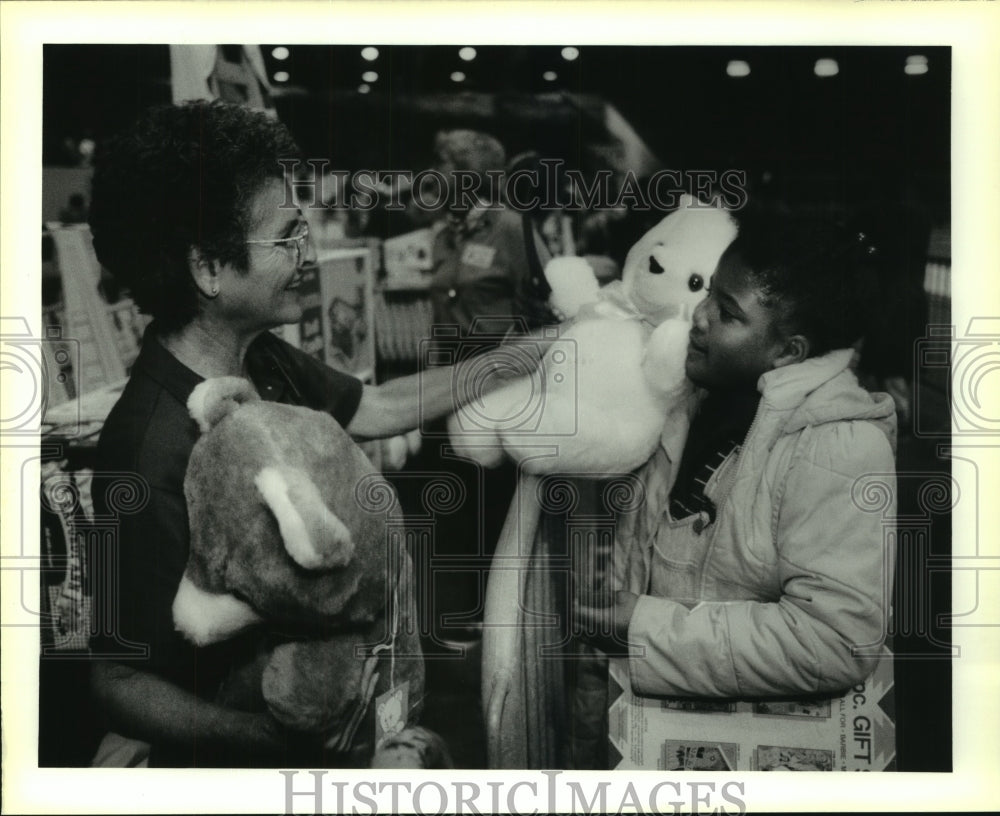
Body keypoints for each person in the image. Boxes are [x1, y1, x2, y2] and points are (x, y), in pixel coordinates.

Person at [85, 100, 542, 767]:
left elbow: (377, 405)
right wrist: (262, 738)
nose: (311, 254)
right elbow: (118, 680)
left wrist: (525, 358)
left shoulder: (261, 358)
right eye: (288, 237)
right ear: (208, 267)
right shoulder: (147, 447)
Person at [575, 206, 897, 701]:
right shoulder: (697, 394)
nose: (698, 316)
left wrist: (644, 630)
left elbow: (835, 643)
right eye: (707, 293)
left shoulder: (841, 446)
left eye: (727, 313)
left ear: (789, 351)